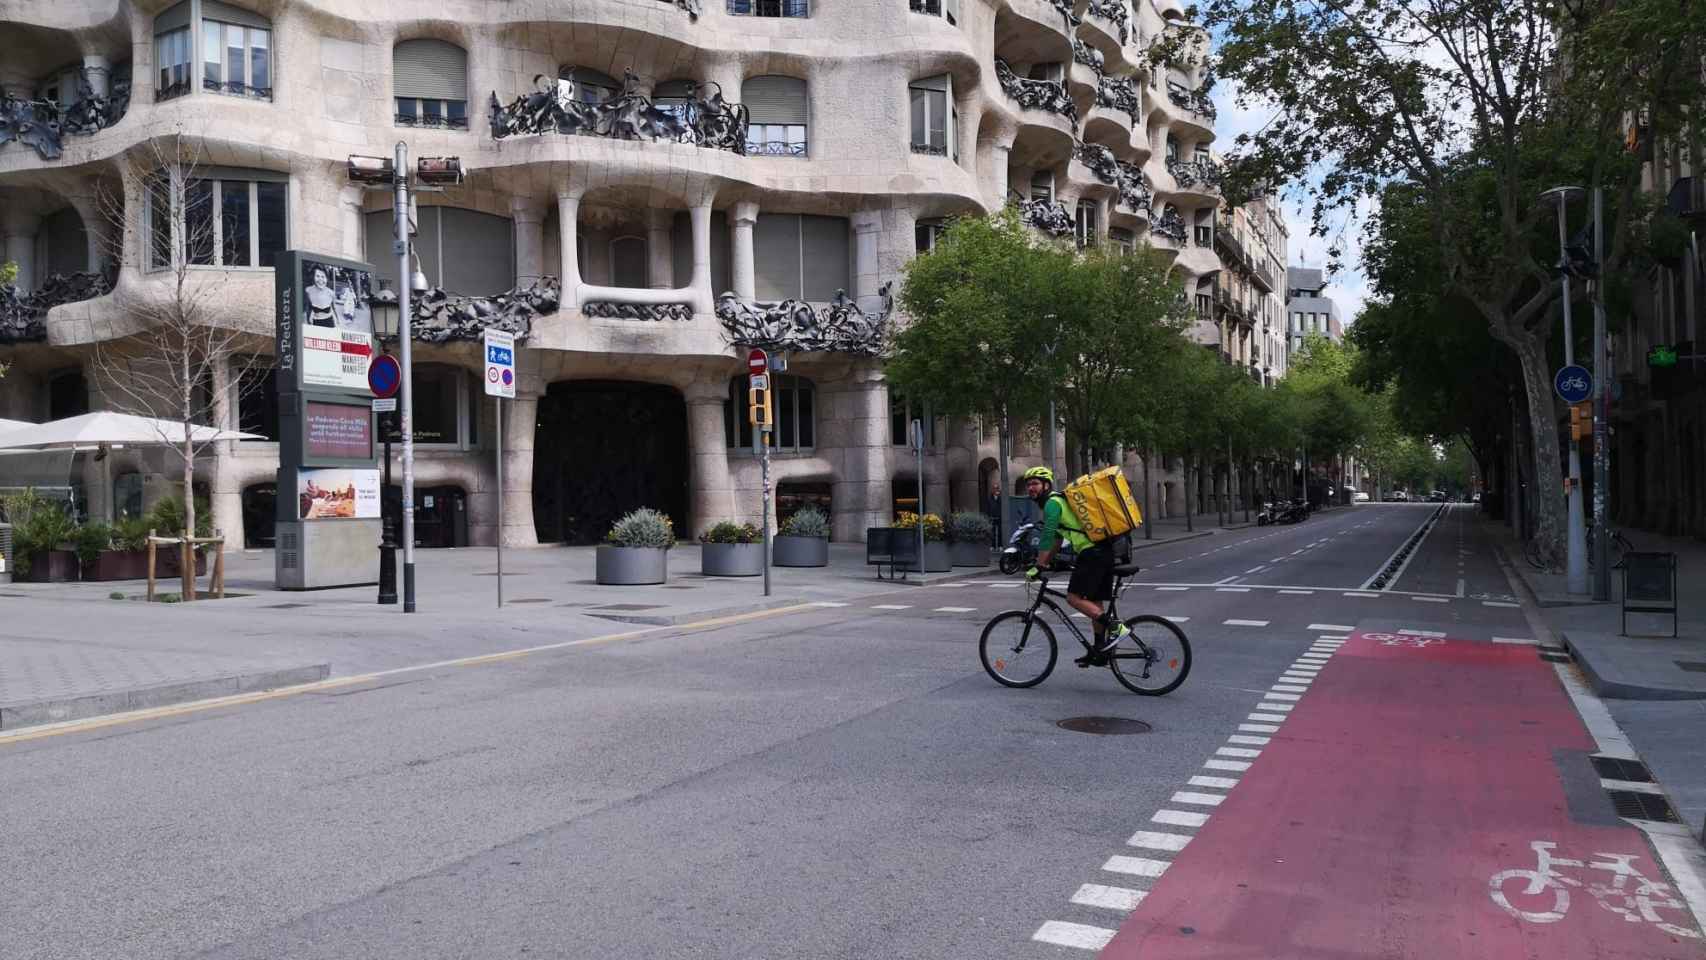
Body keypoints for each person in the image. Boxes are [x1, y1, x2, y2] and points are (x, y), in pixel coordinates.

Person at [1022, 465, 1129, 666]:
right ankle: (1099, 650)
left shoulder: (1052, 503)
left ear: (1046, 485)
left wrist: (1038, 565)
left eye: (1035, 483)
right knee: (1094, 603)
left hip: (1091, 553)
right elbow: (1055, 539)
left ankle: (1116, 627)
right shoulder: (1059, 501)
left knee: (1074, 598)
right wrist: (1045, 563)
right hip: (1102, 551)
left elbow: (1047, 534)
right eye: (1028, 485)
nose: (1031, 488)